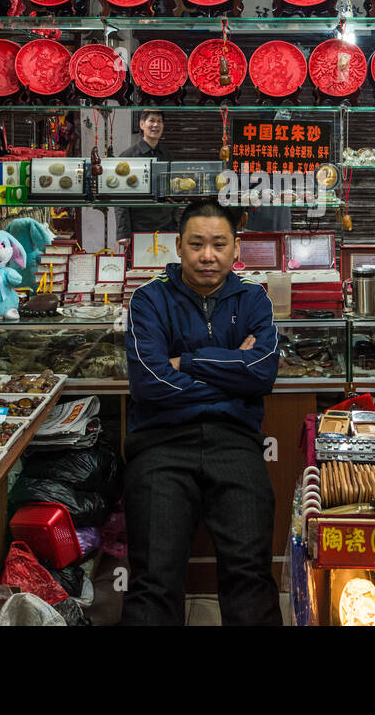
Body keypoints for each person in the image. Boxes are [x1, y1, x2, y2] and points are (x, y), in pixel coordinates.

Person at [121, 198, 282, 626]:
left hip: (235, 444)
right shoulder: (148, 300)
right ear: (178, 246)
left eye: (218, 244)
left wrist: (186, 362)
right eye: (196, 244)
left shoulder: (254, 299)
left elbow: (261, 373)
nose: (207, 255)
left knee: (251, 576)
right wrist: (229, 372)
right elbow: (148, 383)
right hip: (160, 445)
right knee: (153, 580)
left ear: (234, 249)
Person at [115, 110, 178, 254]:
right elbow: (120, 199)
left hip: (167, 225)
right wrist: (123, 233)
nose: (156, 125)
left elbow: (174, 189)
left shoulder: (167, 155)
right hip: (138, 227)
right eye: (152, 121)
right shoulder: (128, 156)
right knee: (139, 271)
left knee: (167, 268)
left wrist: (176, 222)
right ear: (142, 124)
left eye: (160, 121)